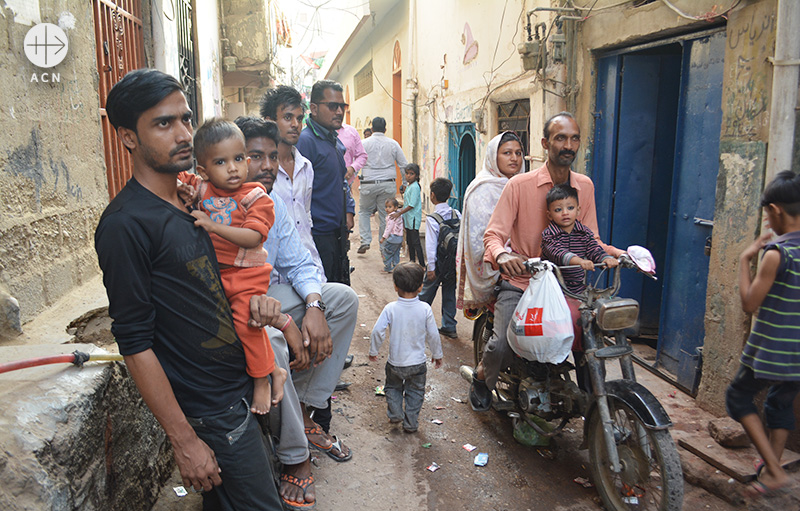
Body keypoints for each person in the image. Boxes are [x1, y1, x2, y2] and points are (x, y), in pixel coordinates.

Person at [95, 69, 282, 510]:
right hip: (209, 410)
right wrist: (184, 441)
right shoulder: (126, 226)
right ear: (128, 138)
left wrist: (262, 317)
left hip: (236, 389)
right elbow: (135, 342)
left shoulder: (194, 203)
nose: (183, 133)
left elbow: (213, 289)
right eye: (164, 123)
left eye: (185, 118)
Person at [235, 116, 359, 508]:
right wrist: (288, 323)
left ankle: (303, 411)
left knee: (341, 298)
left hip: (271, 298)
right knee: (272, 342)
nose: (269, 165)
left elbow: (301, 264)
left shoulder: (270, 206)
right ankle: (295, 456)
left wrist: (314, 306)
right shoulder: (217, 209)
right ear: (235, 159)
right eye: (256, 156)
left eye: (273, 156)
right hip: (237, 310)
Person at [469, 112, 623, 412]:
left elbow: (591, 237)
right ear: (545, 143)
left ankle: (594, 407)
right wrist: (503, 255)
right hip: (523, 281)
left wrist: (620, 254)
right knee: (501, 344)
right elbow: (494, 235)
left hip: (568, 285)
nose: (569, 144)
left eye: (574, 138)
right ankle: (481, 377)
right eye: (561, 138)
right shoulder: (519, 185)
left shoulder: (585, 186)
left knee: (588, 338)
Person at [176, 118, 291, 415]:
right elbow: (175, 178)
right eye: (221, 162)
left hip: (246, 274)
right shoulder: (204, 189)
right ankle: (273, 369)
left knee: (246, 323)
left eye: (239, 158)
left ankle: (263, 379)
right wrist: (185, 193)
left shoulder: (256, 197)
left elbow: (253, 238)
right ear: (203, 170)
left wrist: (212, 226)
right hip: (216, 274)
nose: (233, 168)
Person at [725, 170, 800, 498]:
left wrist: (745, 258)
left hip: (773, 349)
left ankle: (773, 471)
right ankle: (773, 471)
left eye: (767, 214)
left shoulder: (776, 254)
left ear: (776, 211)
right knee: (779, 403)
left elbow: (749, 304)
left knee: (738, 397)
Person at [259, 85, 325, 282]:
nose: (296, 124)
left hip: (309, 267)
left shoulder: (306, 167)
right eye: (288, 118)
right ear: (270, 122)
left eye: (299, 118)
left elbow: (305, 218)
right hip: (273, 275)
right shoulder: (260, 173)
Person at [369, 262, 443, 433]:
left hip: (395, 363)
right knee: (415, 392)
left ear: (395, 287)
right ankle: (410, 423)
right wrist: (437, 354)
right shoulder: (425, 309)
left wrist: (374, 351)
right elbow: (433, 334)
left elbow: (377, 332)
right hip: (417, 364)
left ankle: (395, 414)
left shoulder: (390, 309)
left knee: (393, 388)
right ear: (420, 287)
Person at [455, 132, 523, 312]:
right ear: (494, 156)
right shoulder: (483, 189)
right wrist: (506, 253)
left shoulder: (522, 185)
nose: (514, 158)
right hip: (499, 264)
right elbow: (479, 237)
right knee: (504, 333)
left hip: (525, 263)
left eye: (518, 153)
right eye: (507, 153)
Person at [296, 80, 355, 284]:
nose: (339, 111)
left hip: (337, 233)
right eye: (332, 106)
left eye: (342, 106)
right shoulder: (306, 142)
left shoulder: (332, 139)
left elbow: (341, 180)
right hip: (318, 237)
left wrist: (349, 209)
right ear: (313, 108)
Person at [541, 183, 619, 293]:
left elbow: (594, 249)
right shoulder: (549, 235)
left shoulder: (584, 233)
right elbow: (559, 253)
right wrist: (580, 261)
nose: (565, 213)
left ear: (578, 210)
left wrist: (605, 259)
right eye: (558, 210)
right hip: (551, 289)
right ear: (549, 215)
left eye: (570, 208)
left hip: (577, 289)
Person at [357, 117, 409, 254]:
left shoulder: (363, 143)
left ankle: (366, 240)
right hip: (388, 183)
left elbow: (356, 163)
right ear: (385, 129)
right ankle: (384, 246)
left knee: (364, 211)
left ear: (372, 129)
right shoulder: (393, 144)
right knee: (385, 215)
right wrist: (404, 183)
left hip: (368, 183)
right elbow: (404, 165)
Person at [419, 178, 461, 339]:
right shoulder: (456, 213)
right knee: (449, 293)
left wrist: (431, 268)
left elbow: (430, 245)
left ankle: (416, 321)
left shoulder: (432, 218)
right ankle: (449, 326)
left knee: (426, 294)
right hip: (452, 263)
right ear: (449, 195)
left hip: (438, 263)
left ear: (432, 195)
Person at [391, 163, 425, 266]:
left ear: (417, 176)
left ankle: (422, 264)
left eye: (411, 174)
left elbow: (411, 205)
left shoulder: (415, 187)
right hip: (408, 218)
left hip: (413, 218)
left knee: (415, 242)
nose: (408, 176)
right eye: (407, 173)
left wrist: (399, 213)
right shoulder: (410, 186)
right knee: (409, 241)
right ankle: (412, 262)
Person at [380, 198, 404, 273]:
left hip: (393, 237)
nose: (387, 209)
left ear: (395, 207)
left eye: (390, 207)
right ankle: (395, 266)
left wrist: (383, 238)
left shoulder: (391, 216)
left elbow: (388, 228)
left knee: (387, 252)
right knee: (396, 252)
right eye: (386, 207)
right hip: (399, 238)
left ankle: (387, 267)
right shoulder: (399, 215)